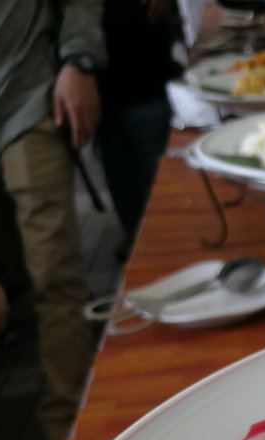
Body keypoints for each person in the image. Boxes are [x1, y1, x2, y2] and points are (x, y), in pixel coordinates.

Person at [0, 0, 106, 440]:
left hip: (26, 101)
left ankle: (70, 423)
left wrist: (79, 59)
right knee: (14, 276)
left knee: (54, 269)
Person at [96, 0, 184, 256]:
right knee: (118, 169)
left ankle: (165, 241)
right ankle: (138, 238)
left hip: (148, 72)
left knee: (156, 167)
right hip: (100, 85)